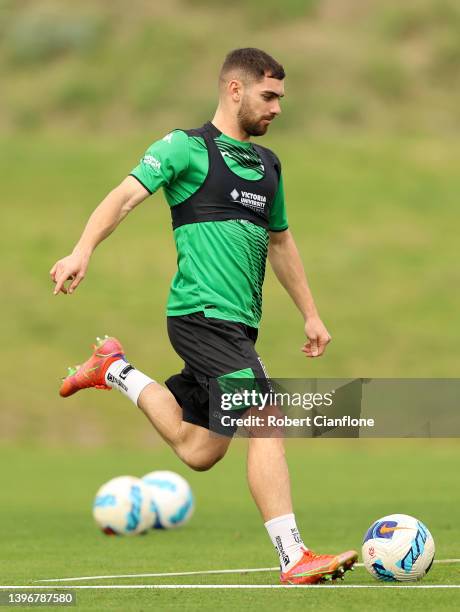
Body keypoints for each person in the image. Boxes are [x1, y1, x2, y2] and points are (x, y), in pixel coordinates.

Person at [50, 48, 357, 584]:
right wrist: (82, 250)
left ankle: (112, 369)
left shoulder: (268, 165)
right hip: (200, 315)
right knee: (266, 414)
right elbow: (123, 197)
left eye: (281, 97)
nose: (278, 108)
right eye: (269, 96)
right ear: (234, 90)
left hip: (237, 324)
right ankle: (293, 556)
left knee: (199, 450)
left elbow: (280, 242)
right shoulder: (184, 149)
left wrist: (310, 312)